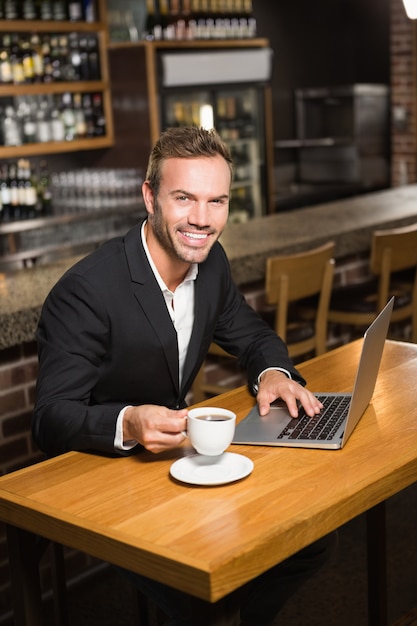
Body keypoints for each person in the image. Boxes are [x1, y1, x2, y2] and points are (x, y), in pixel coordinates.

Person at [33, 126, 336, 625]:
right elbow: (49, 418)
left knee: (311, 539)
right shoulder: (86, 291)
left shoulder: (211, 263)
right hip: (106, 479)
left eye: (216, 200)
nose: (201, 218)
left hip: (181, 470)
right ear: (149, 196)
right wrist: (128, 423)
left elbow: (254, 336)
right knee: (210, 591)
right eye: (184, 198)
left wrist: (275, 374)